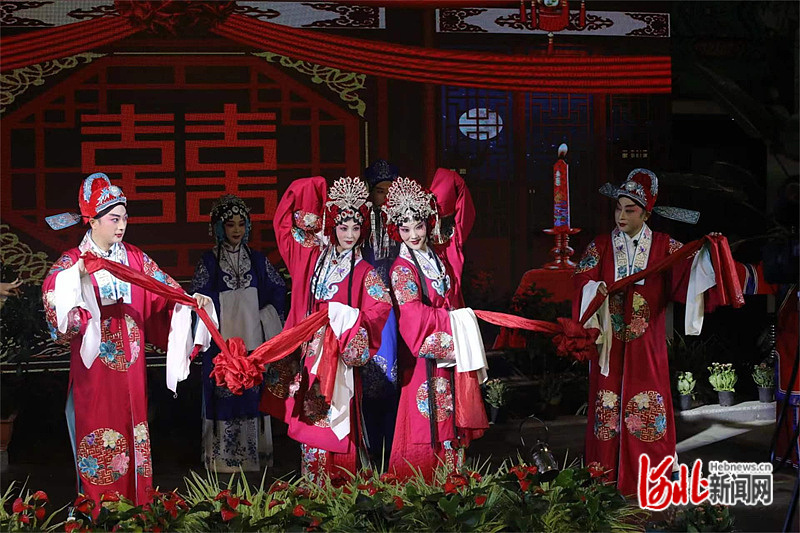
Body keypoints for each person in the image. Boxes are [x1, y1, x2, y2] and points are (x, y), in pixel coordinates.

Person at [42, 173, 211, 507]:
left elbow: (164, 289)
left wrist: (190, 301)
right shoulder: (73, 261)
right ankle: (98, 510)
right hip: (95, 369)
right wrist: (76, 277)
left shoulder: (134, 258)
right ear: (93, 221)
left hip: (131, 366)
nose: (121, 226)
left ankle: (137, 508)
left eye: (124, 218)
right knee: (98, 433)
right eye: (114, 219)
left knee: (135, 429)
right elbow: (53, 298)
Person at [573, 168, 739, 496]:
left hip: (647, 342)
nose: (621, 216)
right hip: (609, 343)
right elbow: (580, 279)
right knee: (607, 403)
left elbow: (690, 273)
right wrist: (595, 289)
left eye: (629, 210)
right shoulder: (600, 245)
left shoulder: (665, 246)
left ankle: (651, 472)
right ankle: (603, 471)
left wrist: (709, 250)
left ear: (646, 214)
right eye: (618, 209)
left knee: (647, 403)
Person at [260, 176, 392, 483]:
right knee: (311, 420)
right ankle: (313, 489)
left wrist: (349, 323)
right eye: (343, 227)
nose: (349, 235)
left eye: (356, 228)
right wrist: (315, 187)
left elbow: (380, 306)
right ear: (331, 226)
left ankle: (341, 491)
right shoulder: (314, 259)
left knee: (337, 419)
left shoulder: (364, 271)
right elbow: (283, 224)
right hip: (311, 354)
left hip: (338, 354)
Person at [385, 170, 489, 481]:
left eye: (418, 226)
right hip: (424, 360)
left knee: (451, 419)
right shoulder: (401, 269)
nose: (413, 235)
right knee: (428, 420)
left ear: (429, 223)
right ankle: (422, 489)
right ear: (396, 230)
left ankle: (454, 484)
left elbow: (456, 191)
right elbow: (413, 316)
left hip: (451, 355)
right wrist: (456, 322)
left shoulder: (439, 256)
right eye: (405, 229)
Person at [190, 194, 286, 473]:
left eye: (241, 224)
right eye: (230, 224)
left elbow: (278, 289)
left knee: (252, 397)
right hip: (222, 346)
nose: (236, 230)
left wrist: (263, 315)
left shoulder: (257, 260)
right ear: (219, 227)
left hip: (253, 344)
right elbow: (197, 299)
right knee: (223, 396)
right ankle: (222, 461)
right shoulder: (208, 262)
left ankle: (255, 458)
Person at [361, 159, 401, 465]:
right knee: (370, 378)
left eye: (390, 191)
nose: (385, 197)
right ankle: (372, 446)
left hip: (400, 308)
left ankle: (394, 445)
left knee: (397, 376)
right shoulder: (359, 226)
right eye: (379, 191)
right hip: (368, 309)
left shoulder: (403, 225)